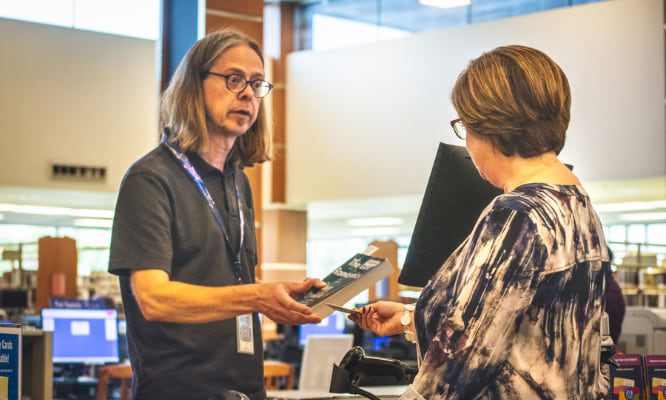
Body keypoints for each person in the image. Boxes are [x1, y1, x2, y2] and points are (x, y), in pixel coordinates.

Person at [350, 45, 611, 399]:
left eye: (465, 126)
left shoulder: (517, 214)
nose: (468, 143)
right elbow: (523, 325)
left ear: (491, 124)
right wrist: (414, 317)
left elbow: (459, 364)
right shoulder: (578, 206)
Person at [108, 28, 324, 400]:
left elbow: (238, 284)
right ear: (193, 86)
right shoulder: (150, 179)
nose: (247, 94)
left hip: (246, 389)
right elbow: (153, 298)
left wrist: (279, 299)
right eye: (233, 79)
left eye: (256, 83)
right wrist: (257, 297)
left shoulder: (238, 182)